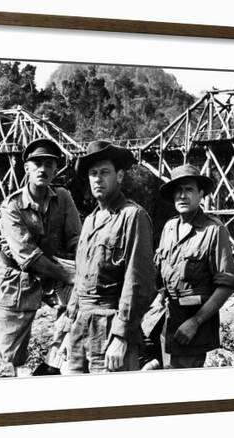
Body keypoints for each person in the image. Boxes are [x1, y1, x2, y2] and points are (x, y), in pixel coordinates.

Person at [0, 138, 82, 377]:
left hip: (51, 275)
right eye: (37, 163)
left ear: (56, 169)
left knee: (82, 307)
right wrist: (73, 275)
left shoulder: (64, 198)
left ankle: (51, 366)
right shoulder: (13, 207)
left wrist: (83, 266)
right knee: (10, 361)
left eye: (49, 164)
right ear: (26, 168)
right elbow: (29, 258)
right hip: (14, 280)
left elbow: (75, 239)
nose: (43, 169)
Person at [61, 140, 156, 373]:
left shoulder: (133, 216)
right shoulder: (90, 221)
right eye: (93, 173)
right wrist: (66, 328)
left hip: (110, 326)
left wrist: (122, 336)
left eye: (105, 172)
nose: (97, 179)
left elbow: (138, 281)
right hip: (79, 327)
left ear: (120, 176)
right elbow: (80, 279)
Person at [155, 164, 234, 368]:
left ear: (201, 194)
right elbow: (159, 277)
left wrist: (196, 322)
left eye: (189, 189)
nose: (182, 195)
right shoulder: (169, 227)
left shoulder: (214, 230)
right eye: (178, 190)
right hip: (167, 324)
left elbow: (226, 286)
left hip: (194, 331)